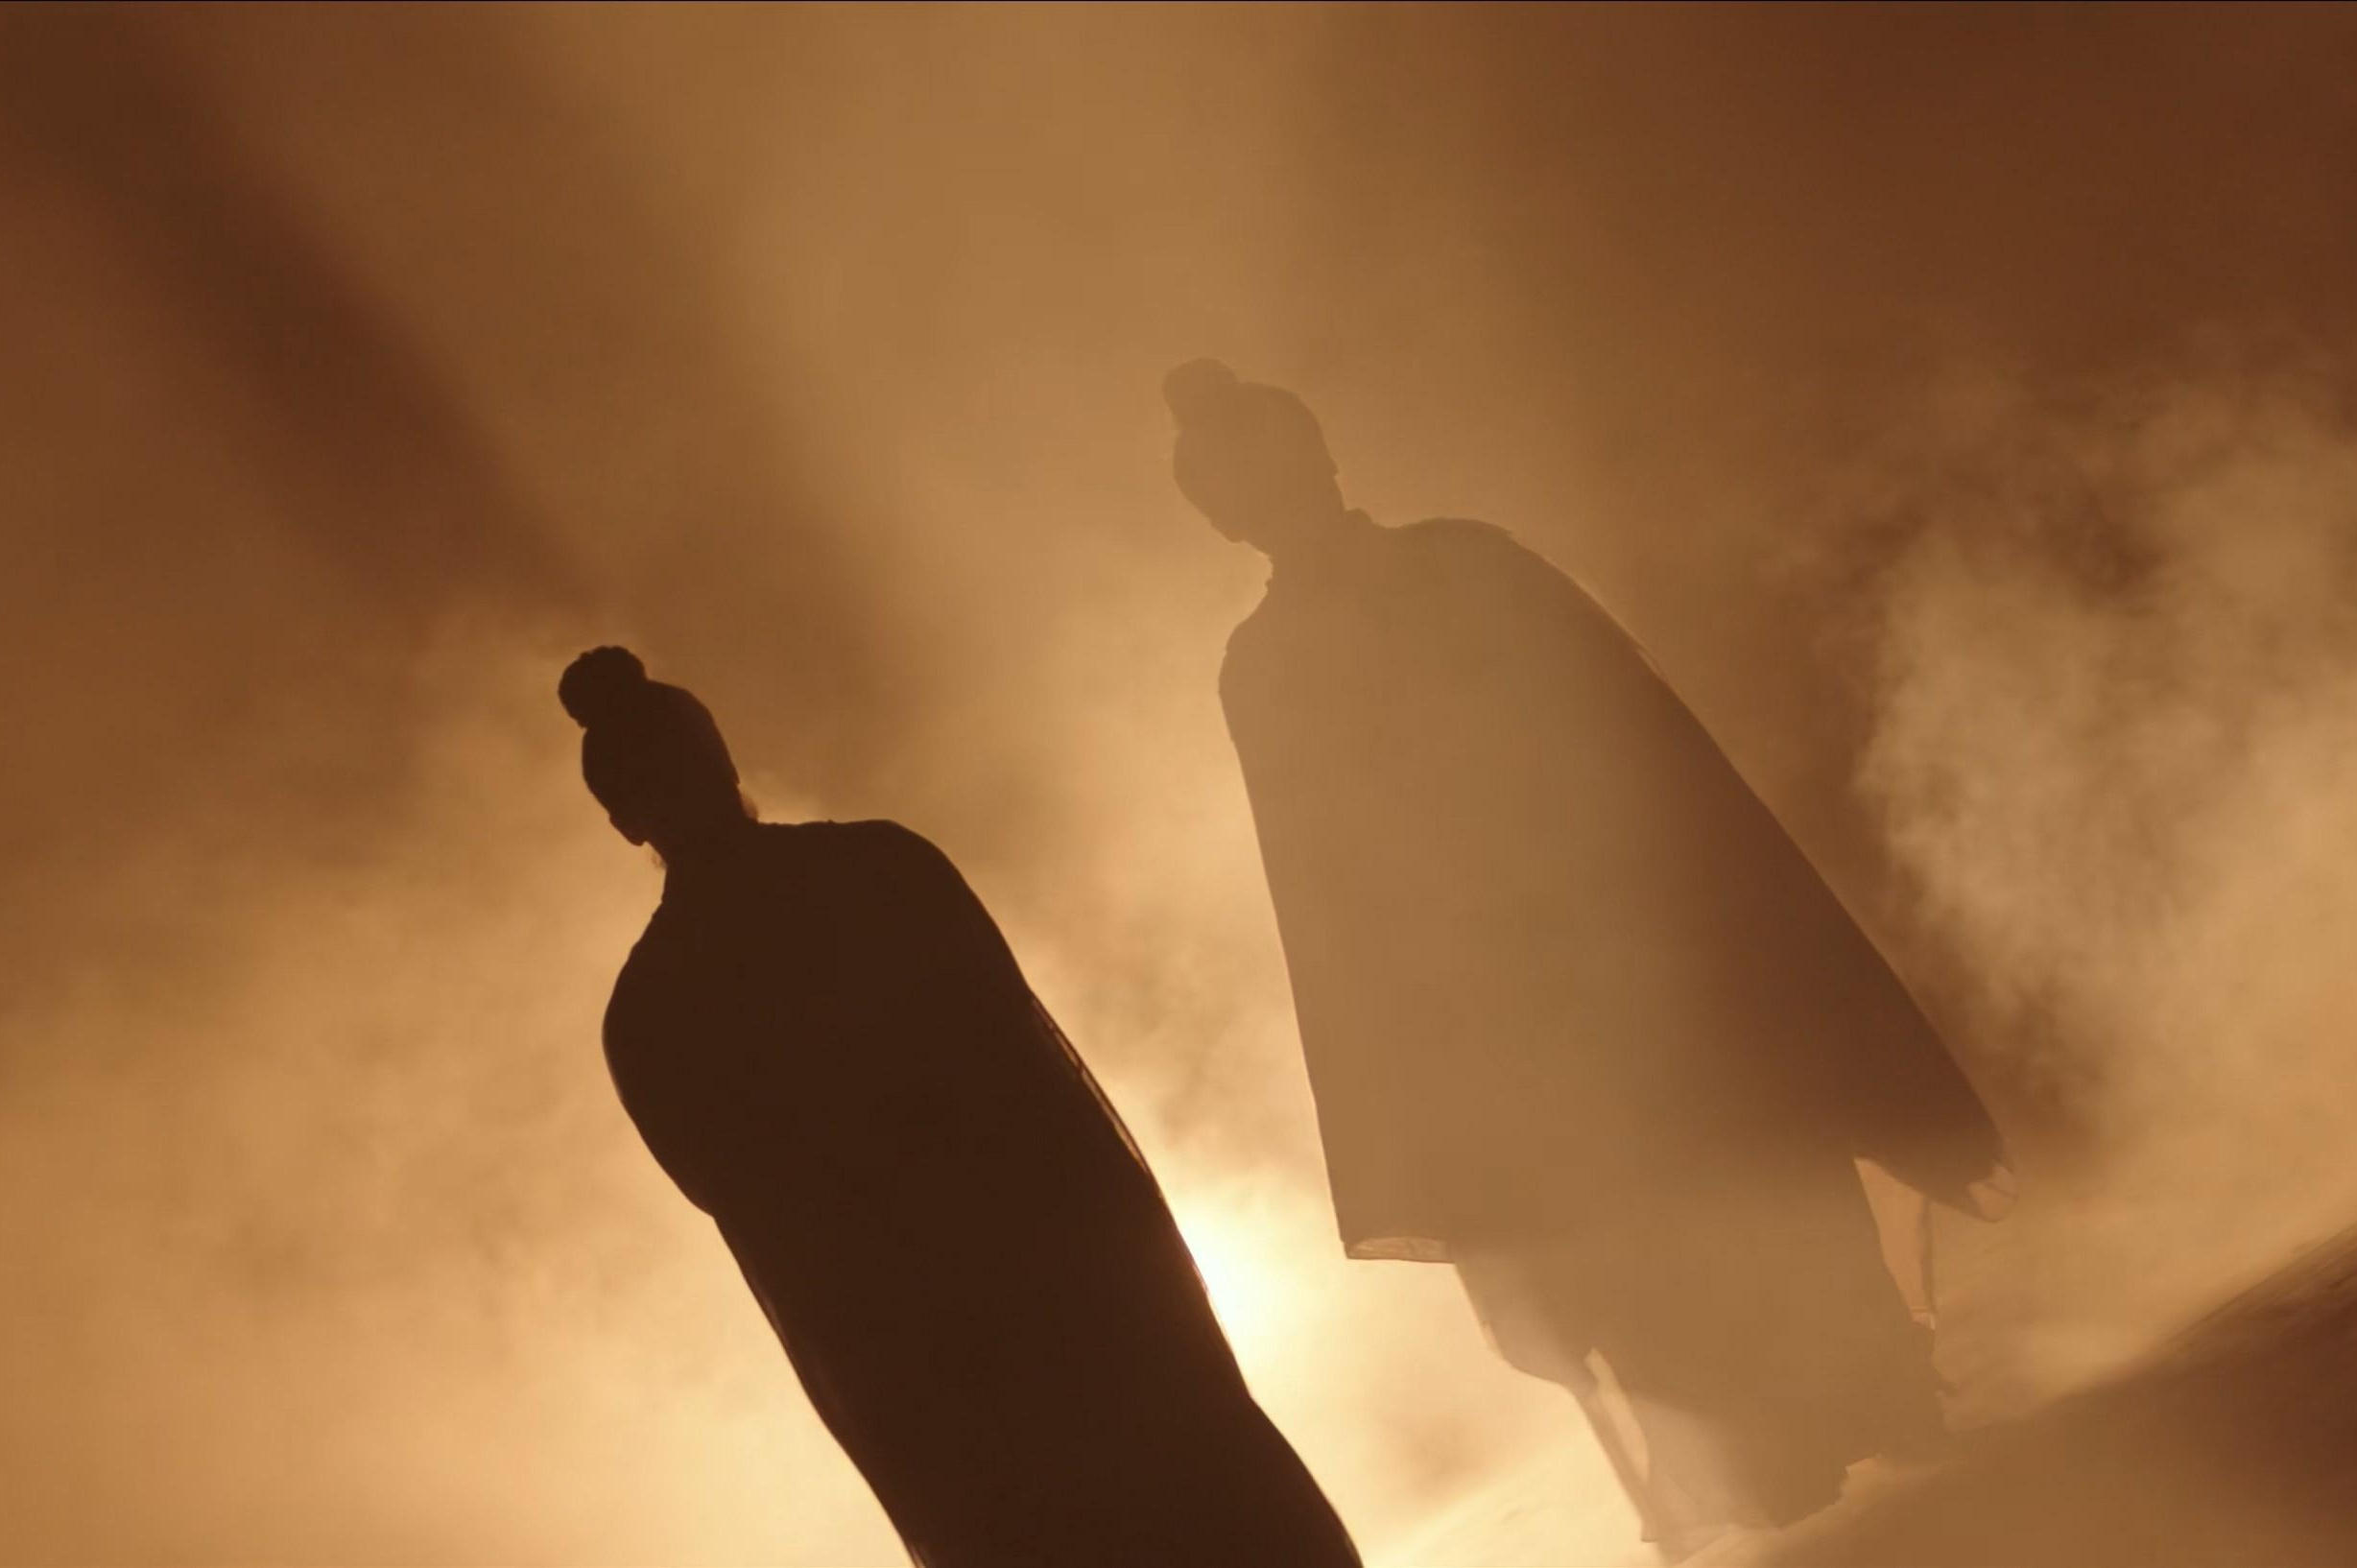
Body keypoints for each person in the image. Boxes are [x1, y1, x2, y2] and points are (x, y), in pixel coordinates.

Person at [1165, 360, 2014, 1560]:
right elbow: (1328, 886)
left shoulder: (1436, 581)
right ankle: (1802, 1456)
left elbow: (1629, 740)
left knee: (1731, 1174)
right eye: (1252, 481)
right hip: (1527, 995)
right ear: (1236, 513)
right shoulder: (1332, 633)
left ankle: (1851, 1434)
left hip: (1617, 946)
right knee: (1653, 1231)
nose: (1280, 491)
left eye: (1277, 464)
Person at [559, 645, 1360, 1568]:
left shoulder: (650, 1015)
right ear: (721, 755)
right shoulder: (880, 866)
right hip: (1076, 1294)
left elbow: (737, 1200)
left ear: (623, 821)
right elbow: (1021, 1053)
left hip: (926, 1378)